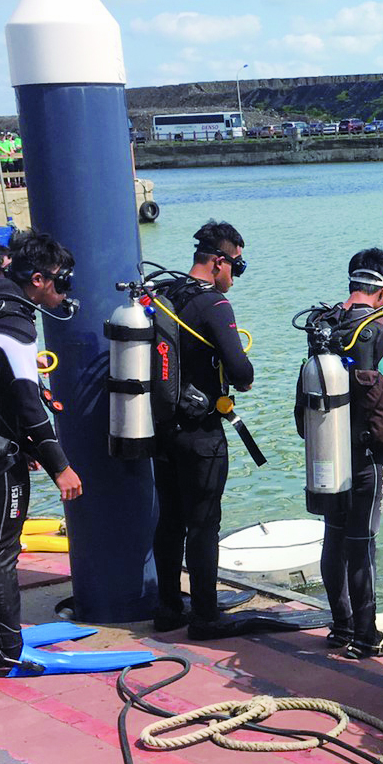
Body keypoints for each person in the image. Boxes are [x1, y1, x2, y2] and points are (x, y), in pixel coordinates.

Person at [0, 231, 82, 674]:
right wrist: (60, 466)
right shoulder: (16, 321)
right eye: (61, 281)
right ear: (37, 279)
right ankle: (11, 653)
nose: (65, 290)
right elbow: (28, 402)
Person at [297, 248, 383, 658]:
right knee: (363, 541)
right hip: (369, 457)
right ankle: (366, 637)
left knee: (334, 537)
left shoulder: (324, 323)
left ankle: (340, 626)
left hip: (326, 451)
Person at [150, 221, 256, 639]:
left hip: (162, 429)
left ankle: (169, 607)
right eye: (238, 267)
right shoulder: (213, 305)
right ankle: (206, 616)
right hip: (201, 433)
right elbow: (240, 369)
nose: (236, 276)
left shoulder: (167, 294)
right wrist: (244, 378)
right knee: (204, 523)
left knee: (170, 520)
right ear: (219, 261)